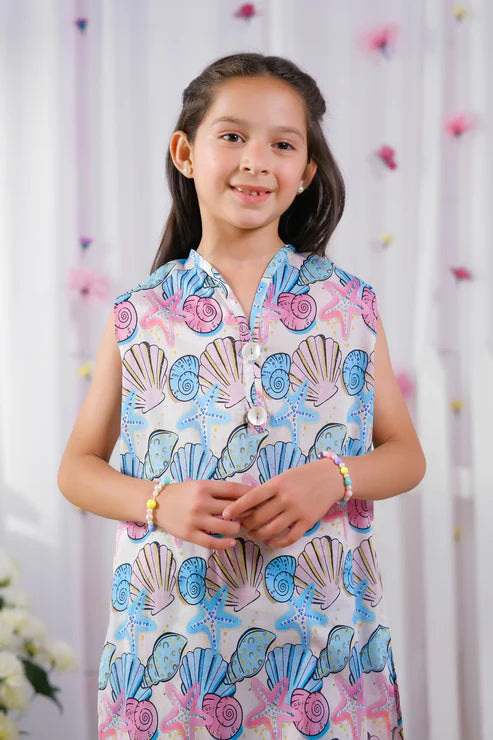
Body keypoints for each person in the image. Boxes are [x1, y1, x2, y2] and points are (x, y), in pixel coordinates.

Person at [58, 52, 425, 740]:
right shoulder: (139, 312)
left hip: (325, 650)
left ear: (305, 171)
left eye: (283, 144)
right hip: (168, 656)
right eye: (232, 136)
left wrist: (335, 477)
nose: (256, 160)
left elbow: (405, 455)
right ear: (185, 153)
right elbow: (77, 468)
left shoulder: (349, 303)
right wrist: (158, 501)